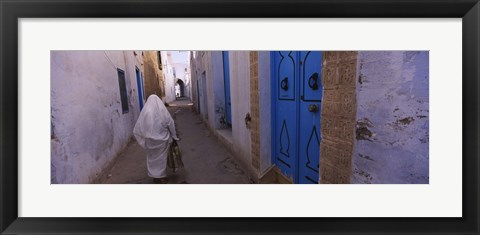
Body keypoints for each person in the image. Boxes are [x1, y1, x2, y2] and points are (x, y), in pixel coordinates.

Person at [133, 95, 179, 184]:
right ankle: (162, 177)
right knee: (162, 159)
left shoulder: (145, 111)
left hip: (150, 141)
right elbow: (170, 123)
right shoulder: (162, 110)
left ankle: (155, 176)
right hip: (162, 140)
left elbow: (138, 126)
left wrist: (143, 139)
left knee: (152, 158)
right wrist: (174, 135)